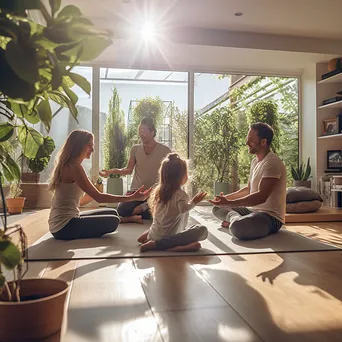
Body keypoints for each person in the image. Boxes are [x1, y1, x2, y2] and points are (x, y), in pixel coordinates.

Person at [48, 129, 151, 240]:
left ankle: (128, 219)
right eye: (89, 145)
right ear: (78, 146)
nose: (92, 150)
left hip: (62, 222)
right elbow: (99, 198)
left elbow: (83, 200)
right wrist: (131, 198)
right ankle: (126, 219)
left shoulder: (69, 165)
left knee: (112, 212)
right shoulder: (74, 167)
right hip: (64, 227)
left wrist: (94, 188)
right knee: (113, 221)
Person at [210, 122, 286, 241]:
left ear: (263, 142)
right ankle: (235, 218)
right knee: (217, 208)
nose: (246, 143)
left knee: (237, 228)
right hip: (252, 211)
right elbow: (249, 190)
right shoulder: (255, 162)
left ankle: (233, 220)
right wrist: (224, 200)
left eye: (251, 140)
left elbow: (261, 197)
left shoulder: (272, 163)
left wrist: (229, 204)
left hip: (270, 217)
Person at [100, 116, 171, 222]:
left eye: (144, 131)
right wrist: (112, 171)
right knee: (121, 209)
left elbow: (169, 175)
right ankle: (138, 213)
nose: (141, 134)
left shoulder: (165, 150)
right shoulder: (135, 149)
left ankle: (140, 210)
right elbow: (128, 170)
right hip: (136, 193)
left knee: (166, 210)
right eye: (140, 131)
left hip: (155, 194)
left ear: (152, 132)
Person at [138, 153, 208, 252]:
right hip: (170, 237)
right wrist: (194, 202)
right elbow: (183, 209)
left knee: (160, 225)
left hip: (155, 233)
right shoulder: (180, 194)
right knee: (201, 229)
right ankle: (175, 247)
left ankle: (151, 237)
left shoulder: (159, 191)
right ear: (181, 176)